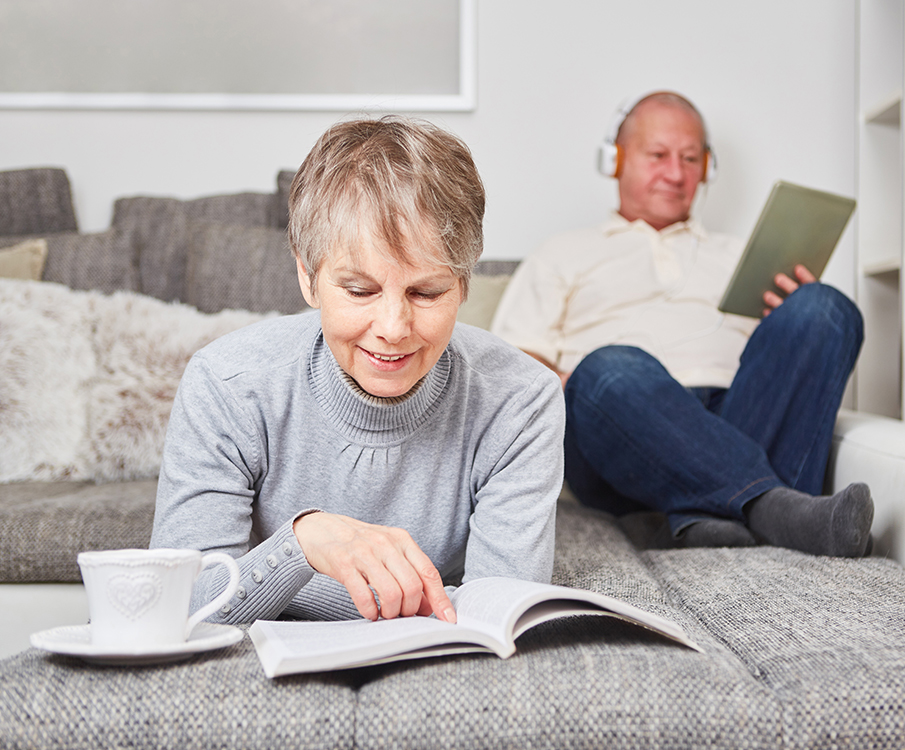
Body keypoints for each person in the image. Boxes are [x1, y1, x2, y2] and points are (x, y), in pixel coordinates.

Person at [150, 116, 564, 625]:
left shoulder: (522, 399)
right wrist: (301, 545)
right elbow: (177, 608)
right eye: (360, 291)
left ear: (463, 284)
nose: (393, 328)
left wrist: (283, 593)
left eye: (426, 292)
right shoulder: (225, 383)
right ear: (307, 277)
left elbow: (498, 613)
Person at [491, 91, 873, 557]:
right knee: (609, 368)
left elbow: (785, 370)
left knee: (824, 306)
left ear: (706, 168)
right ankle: (778, 509)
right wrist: (568, 382)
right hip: (621, 425)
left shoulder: (742, 255)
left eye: (690, 159)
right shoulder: (561, 253)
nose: (676, 174)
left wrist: (792, 319)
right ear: (616, 160)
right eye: (658, 155)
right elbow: (510, 363)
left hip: (740, 415)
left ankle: (701, 521)